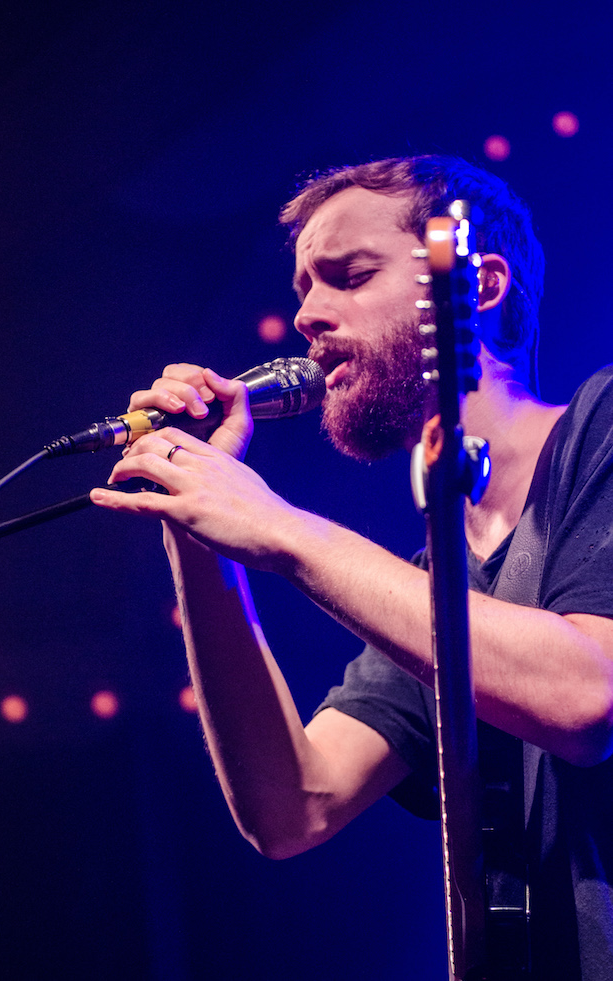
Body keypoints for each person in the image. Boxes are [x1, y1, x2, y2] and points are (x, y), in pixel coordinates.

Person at [89, 156, 613, 979]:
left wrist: (280, 526)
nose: (306, 317)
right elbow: (292, 804)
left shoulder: (605, 431)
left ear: (479, 287)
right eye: (301, 289)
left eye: (349, 275)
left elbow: (586, 695)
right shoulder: (440, 583)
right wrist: (199, 536)